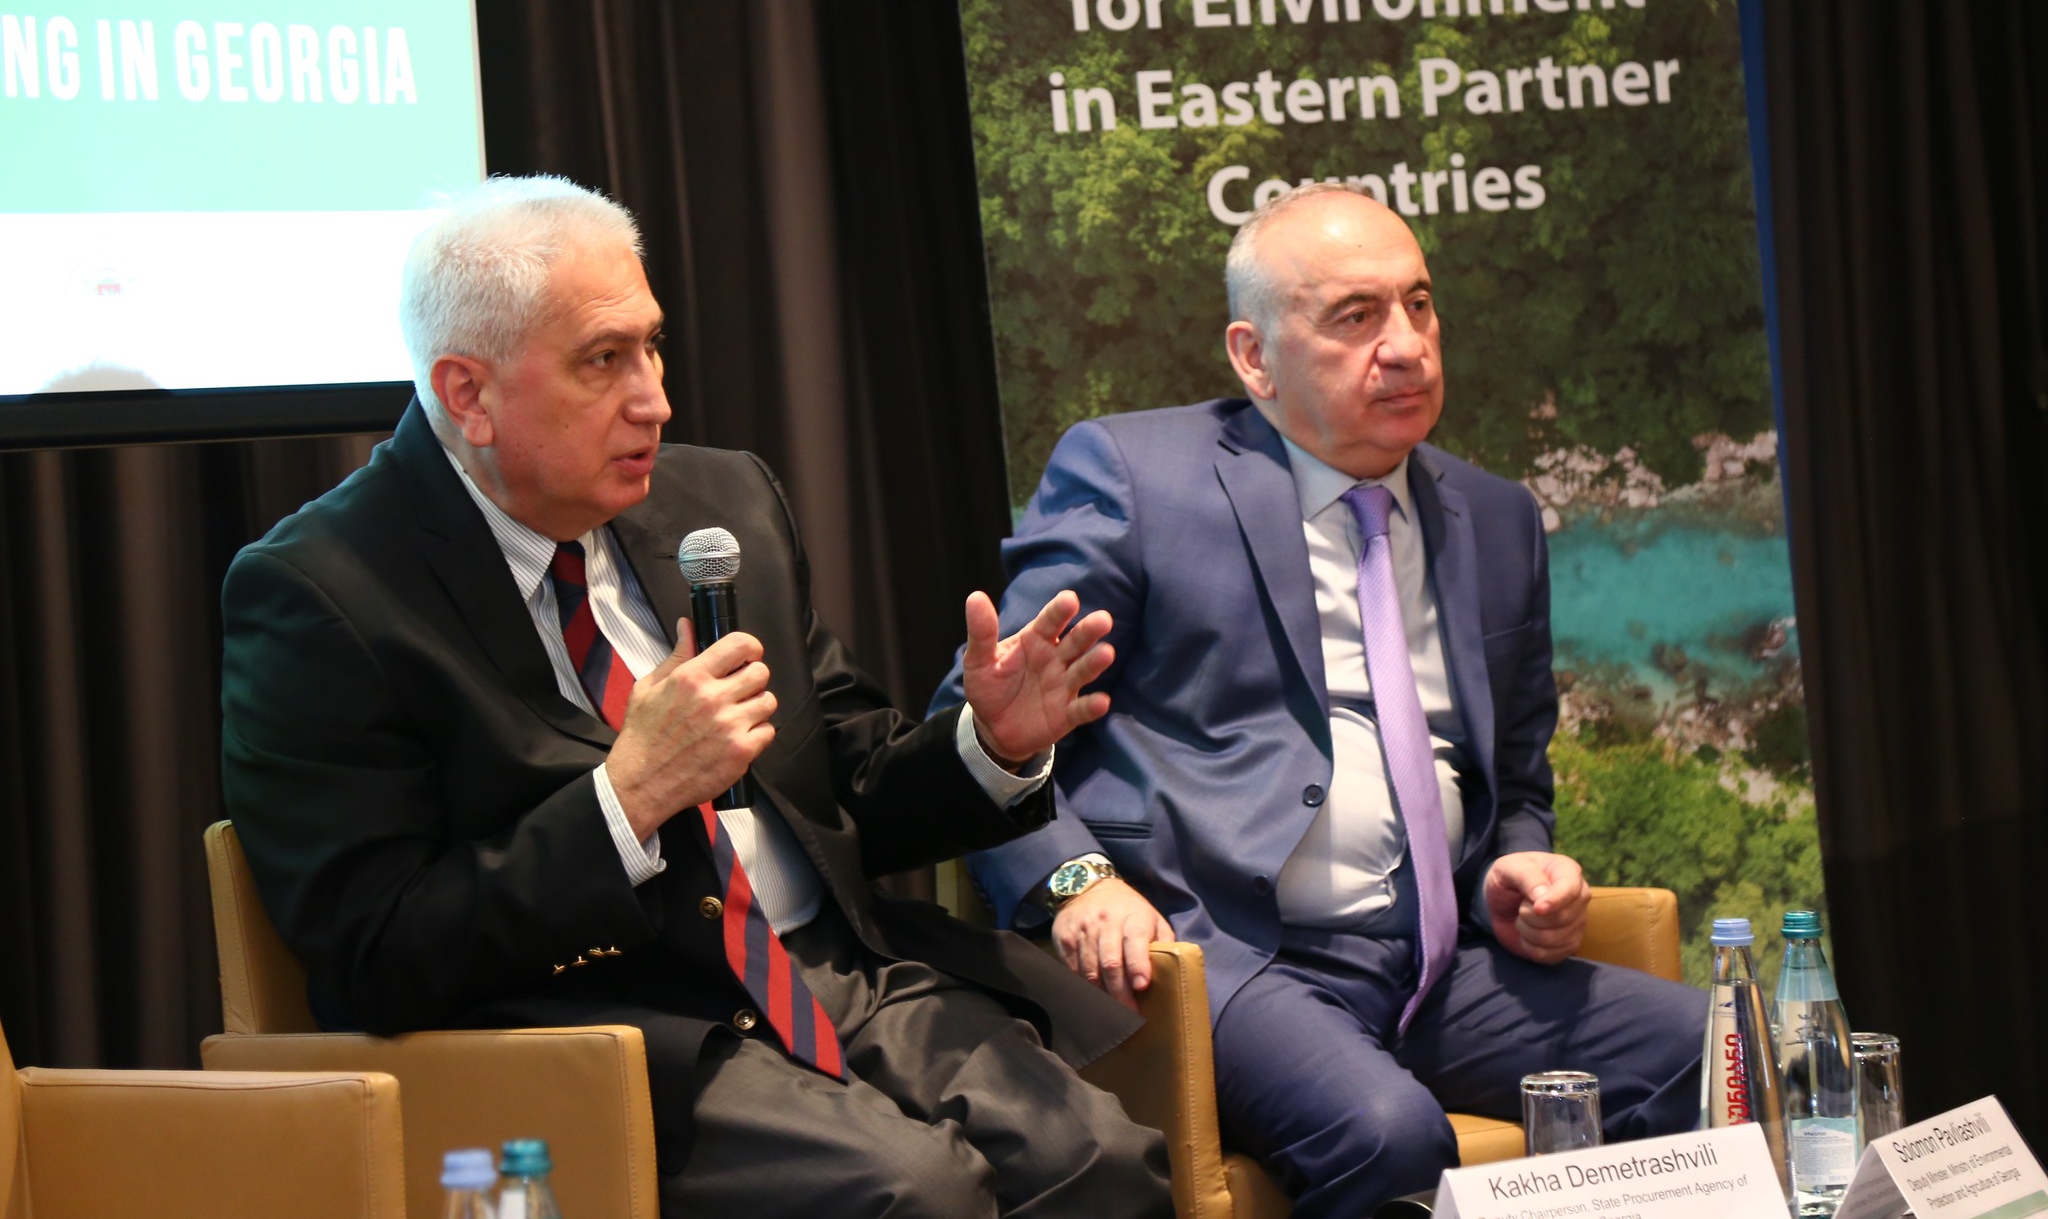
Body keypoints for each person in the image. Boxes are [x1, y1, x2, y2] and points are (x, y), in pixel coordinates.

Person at [221, 176, 1170, 1219]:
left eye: (652, 346)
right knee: (915, 1194)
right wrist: (626, 799)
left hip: (832, 971)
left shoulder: (720, 503)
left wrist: (988, 746)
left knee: (1103, 1162)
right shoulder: (325, 592)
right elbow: (375, 953)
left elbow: (846, 783)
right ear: (468, 394)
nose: (655, 400)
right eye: (602, 360)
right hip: (614, 1031)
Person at [934, 184, 1706, 1215]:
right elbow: (979, 722)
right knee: (1387, 1134)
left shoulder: (1495, 518)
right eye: (1355, 316)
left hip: (1436, 967)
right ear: (1254, 356)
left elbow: (1516, 776)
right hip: (1220, 953)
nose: (1406, 346)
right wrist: (1074, 879)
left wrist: (1515, 863)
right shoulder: (1137, 479)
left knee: (1714, 1052)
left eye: (1419, 305)